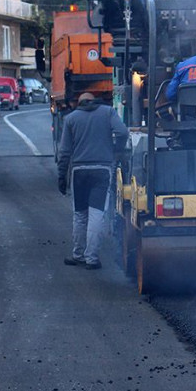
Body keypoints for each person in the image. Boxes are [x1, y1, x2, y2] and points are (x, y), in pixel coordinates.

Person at [57, 93, 128, 270]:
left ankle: (78, 254)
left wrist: (61, 176)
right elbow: (122, 132)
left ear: (79, 103)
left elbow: (64, 151)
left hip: (79, 171)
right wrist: (116, 150)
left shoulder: (71, 118)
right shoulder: (108, 112)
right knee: (97, 213)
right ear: (94, 100)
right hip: (102, 170)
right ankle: (91, 258)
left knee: (80, 215)